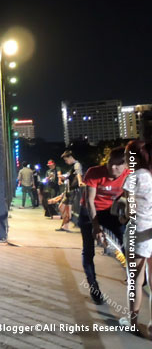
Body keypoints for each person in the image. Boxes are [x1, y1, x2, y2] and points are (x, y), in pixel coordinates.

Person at [78, 147, 128, 305]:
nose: (113, 167)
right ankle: (94, 288)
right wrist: (96, 227)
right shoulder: (94, 172)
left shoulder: (130, 175)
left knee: (127, 242)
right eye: (110, 163)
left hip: (110, 212)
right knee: (88, 250)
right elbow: (89, 201)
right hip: (89, 211)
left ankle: (136, 276)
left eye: (118, 164)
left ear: (126, 165)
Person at [122, 140, 152, 333]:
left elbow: (129, 212)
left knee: (135, 280)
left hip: (138, 232)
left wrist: (122, 209)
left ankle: (133, 323)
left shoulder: (134, 178)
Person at [57, 150, 85, 231]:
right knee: (63, 208)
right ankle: (65, 225)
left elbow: (79, 174)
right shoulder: (74, 166)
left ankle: (66, 225)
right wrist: (64, 177)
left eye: (66, 160)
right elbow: (73, 175)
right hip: (70, 190)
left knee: (64, 208)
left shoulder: (77, 165)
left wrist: (80, 182)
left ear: (70, 157)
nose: (66, 162)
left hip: (72, 190)